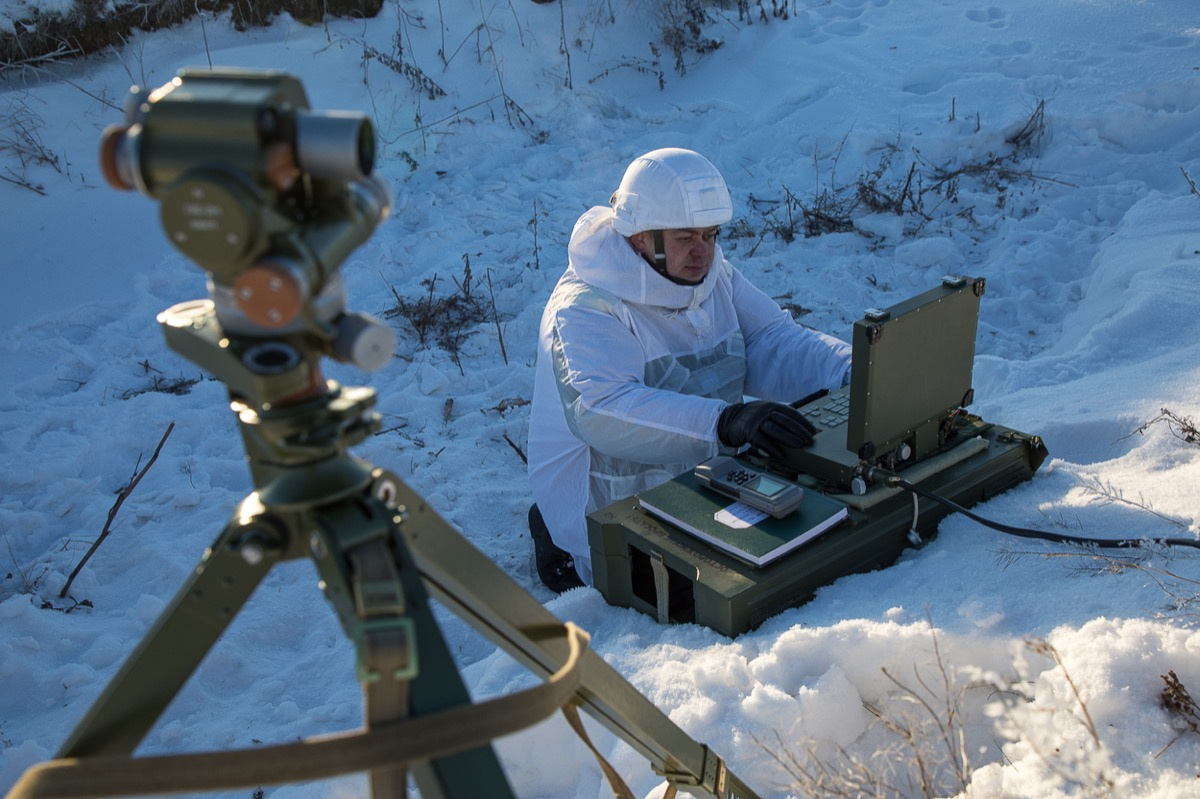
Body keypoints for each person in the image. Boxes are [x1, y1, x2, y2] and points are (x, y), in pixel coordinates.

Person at [526, 148, 852, 593]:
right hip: (606, 507)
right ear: (639, 236)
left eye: (711, 234)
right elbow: (600, 408)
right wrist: (725, 422)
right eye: (685, 238)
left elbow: (771, 340)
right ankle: (555, 539)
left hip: (702, 476)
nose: (704, 252)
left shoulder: (710, 275)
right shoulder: (585, 307)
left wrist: (854, 370)